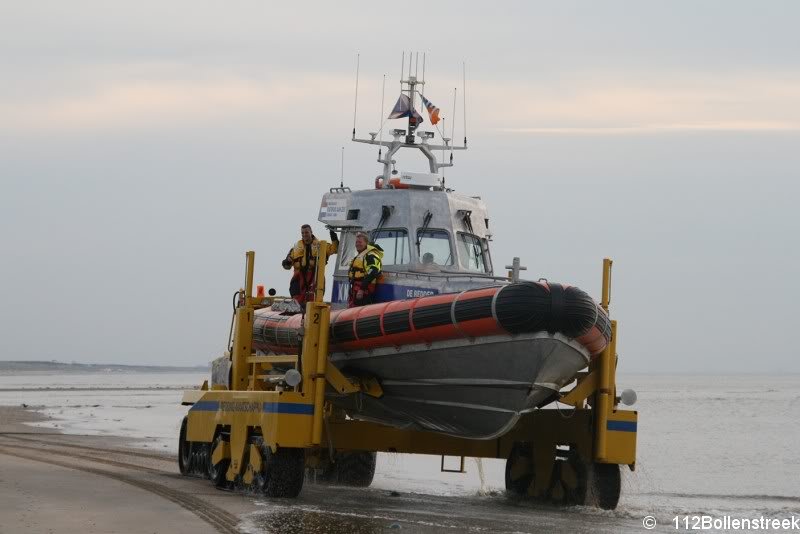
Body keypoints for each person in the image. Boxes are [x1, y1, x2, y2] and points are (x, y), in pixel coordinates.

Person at [282, 224, 338, 306]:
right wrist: (287, 261)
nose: (304, 235)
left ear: (311, 232)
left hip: (315, 277)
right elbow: (286, 266)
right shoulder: (295, 248)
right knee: (296, 299)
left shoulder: (321, 245)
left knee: (313, 300)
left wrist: (332, 232)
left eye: (306, 232)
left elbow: (335, 249)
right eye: (303, 233)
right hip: (298, 277)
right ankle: (297, 315)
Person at [348, 232, 384, 307]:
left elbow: (373, 271)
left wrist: (361, 289)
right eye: (356, 242)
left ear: (366, 243)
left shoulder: (370, 256)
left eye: (360, 242)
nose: (358, 244)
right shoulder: (361, 255)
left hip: (364, 291)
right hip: (356, 289)